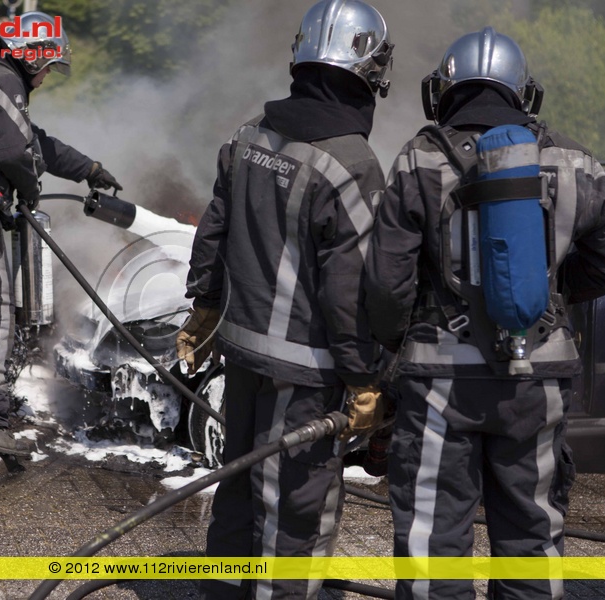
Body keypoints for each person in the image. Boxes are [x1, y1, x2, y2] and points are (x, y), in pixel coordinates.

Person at [365, 27, 605, 599]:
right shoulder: (576, 163)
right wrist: (550, 293)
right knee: (532, 536)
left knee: (434, 542)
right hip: (538, 381)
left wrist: (389, 356)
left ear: (443, 91)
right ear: (524, 92)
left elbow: (386, 283)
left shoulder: (420, 159)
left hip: (440, 382)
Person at [176, 1, 393, 597]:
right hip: (306, 373)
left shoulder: (248, 135)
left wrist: (204, 308)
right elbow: (349, 293)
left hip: (242, 355)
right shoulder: (352, 164)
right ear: (371, 72)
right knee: (296, 511)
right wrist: (364, 378)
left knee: (239, 488)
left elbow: (213, 230)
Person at [0, 11, 122, 458]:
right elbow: (16, 152)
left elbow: (35, 142)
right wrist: (30, 192)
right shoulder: (3, 80)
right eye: (49, 65)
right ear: (32, 55)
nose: (48, 76)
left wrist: (88, 169)